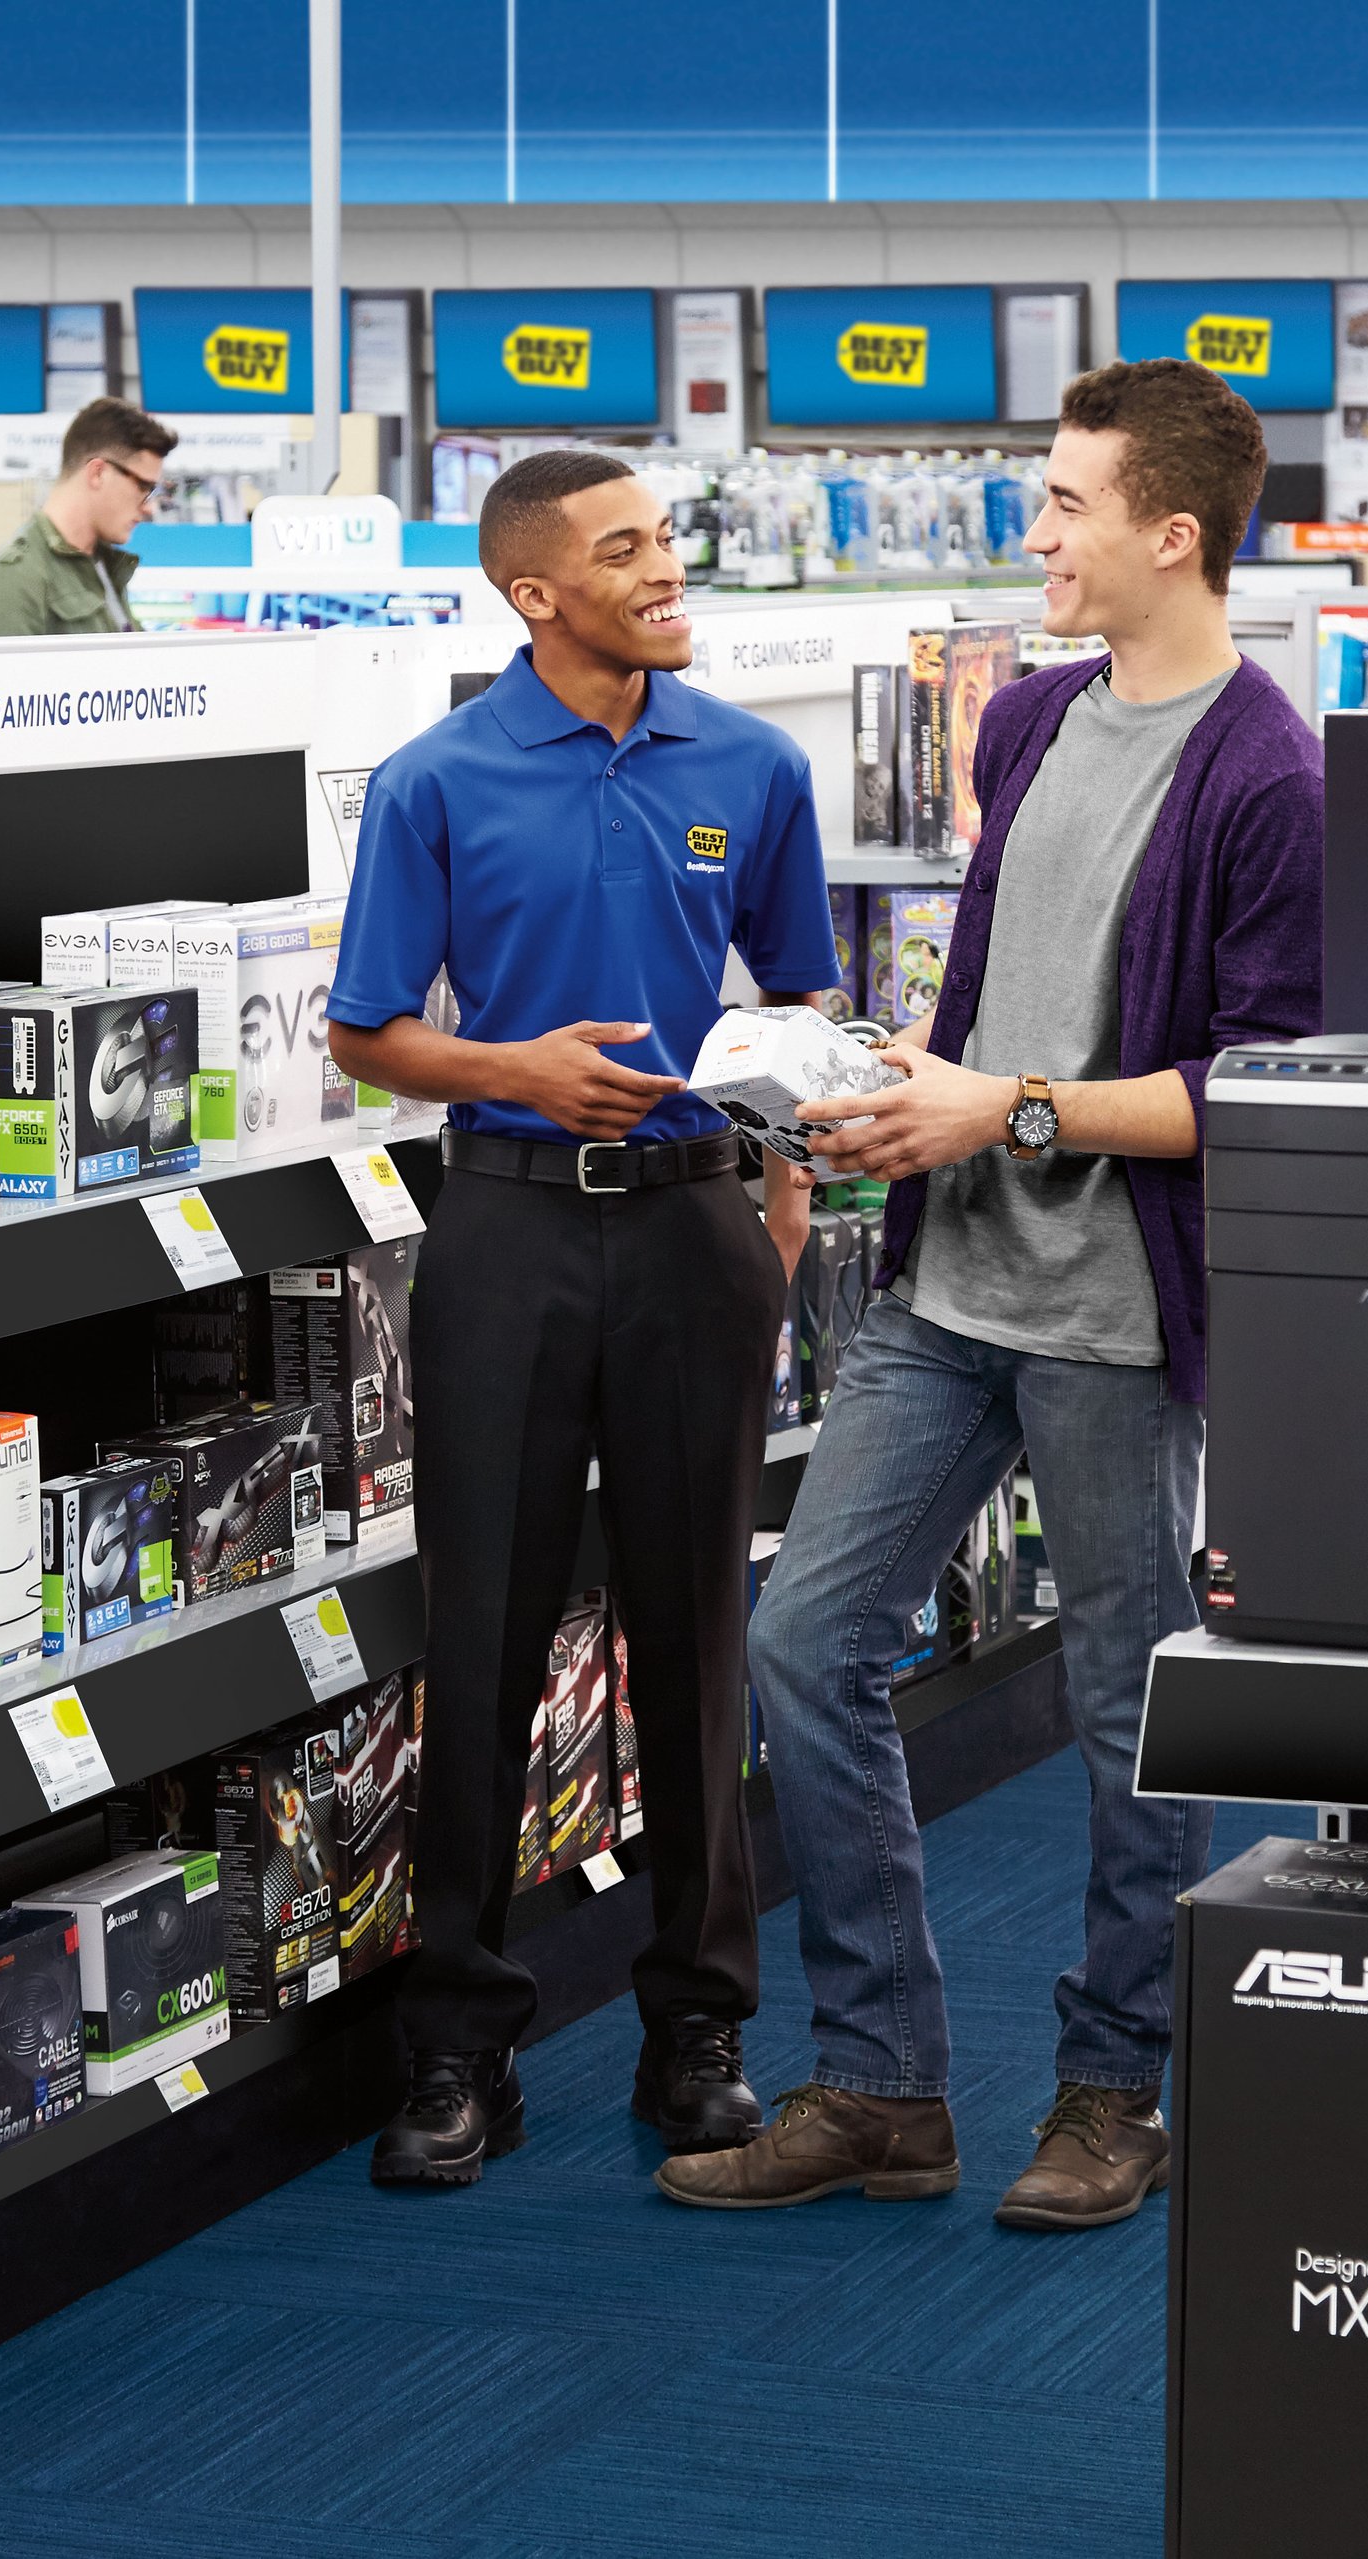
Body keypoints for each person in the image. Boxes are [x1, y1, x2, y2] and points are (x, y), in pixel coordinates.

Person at [656, 358, 1320, 2231]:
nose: (1034, 534)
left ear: (1169, 534)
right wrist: (898, 1097)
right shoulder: (1029, 720)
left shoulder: (1270, 774)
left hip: (1117, 1316)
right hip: (950, 1281)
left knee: (1126, 1716)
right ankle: (882, 2082)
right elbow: (998, 1007)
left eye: (1063, 504)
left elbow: (1259, 1084)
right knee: (805, 1637)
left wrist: (1006, 1105)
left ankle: (1114, 2089)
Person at [327, 447, 835, 2188]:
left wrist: (780, 1190)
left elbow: (799, 995)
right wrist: (514, 1070)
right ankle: (461, 2043)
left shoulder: (754, 765)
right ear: (536, 591)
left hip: (698, 1235)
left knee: (702, 1635)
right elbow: (368, 1028)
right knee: (480, 1634)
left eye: (667, 538)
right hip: (508, 1232)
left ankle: (697, 2022)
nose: (665, 567)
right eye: (627, 549)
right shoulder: (436, 781)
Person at [0, 396, 176, 636]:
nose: (149, 508)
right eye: (144, 488)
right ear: (98, 473)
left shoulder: (100, 564)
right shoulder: (13, 578)